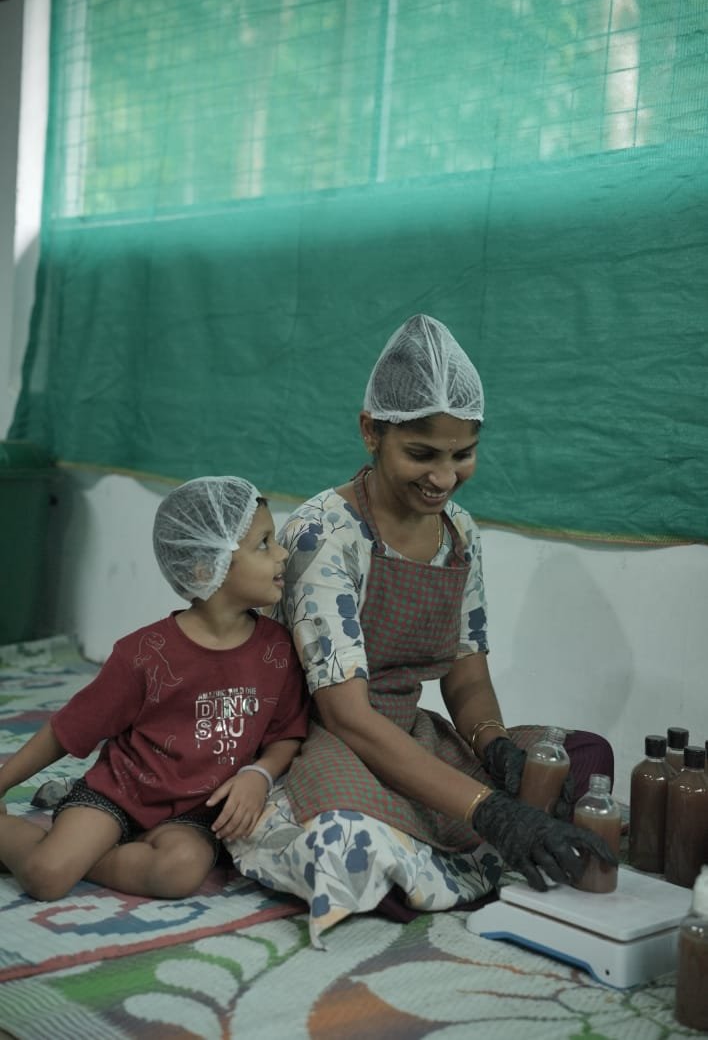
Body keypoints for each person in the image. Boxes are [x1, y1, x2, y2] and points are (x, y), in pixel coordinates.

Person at [227, 314, 616, 948]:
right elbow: (348, 717)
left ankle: (450, 844)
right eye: (422, 454)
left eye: (463, 455)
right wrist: (490, 810)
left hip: (406, 731)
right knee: (351, 848)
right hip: (320, 736)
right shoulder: (325, 533)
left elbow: (467, 676)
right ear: (371, 432)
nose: (444, 477)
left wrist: (495, 745)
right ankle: (435, 849)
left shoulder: (459, 534)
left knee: (584, 756)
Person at [0, 476, 309, 901]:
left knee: (180, 872)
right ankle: (45, 846)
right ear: (206, 568)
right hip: (119, 794)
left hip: (196, 815)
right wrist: (3, 782)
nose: (282, 553)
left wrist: (259, 774)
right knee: (47, 877)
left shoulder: (278, 650)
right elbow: (69, 728)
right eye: (264, 544)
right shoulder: (143, 654)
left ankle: (75, 853)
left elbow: (288, 732)